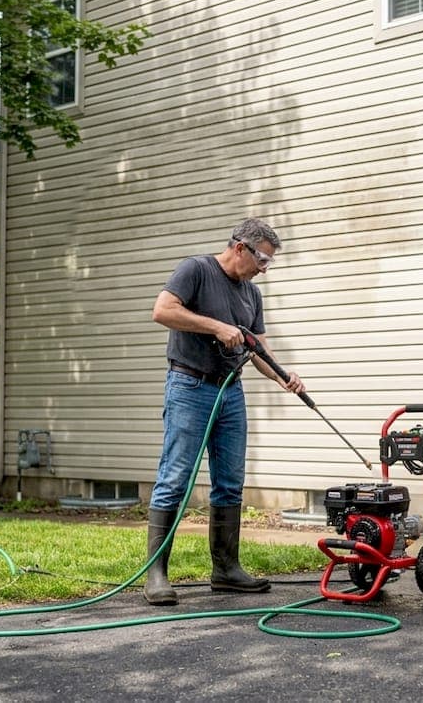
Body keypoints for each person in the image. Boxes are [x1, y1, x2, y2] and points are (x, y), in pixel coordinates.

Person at [144, 218, 306, 605]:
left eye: (269, 262)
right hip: (189, 386)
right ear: (239, 248)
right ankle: (156, 574)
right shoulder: (196, 269)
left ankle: (226, 570)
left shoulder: (251, 294)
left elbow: (258, 351)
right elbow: (162, 310)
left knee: (231, 481)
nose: (264, 269)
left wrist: (283, 375)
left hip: (230, 393)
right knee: (175, 478)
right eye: (262, 259)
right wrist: (216, 327)